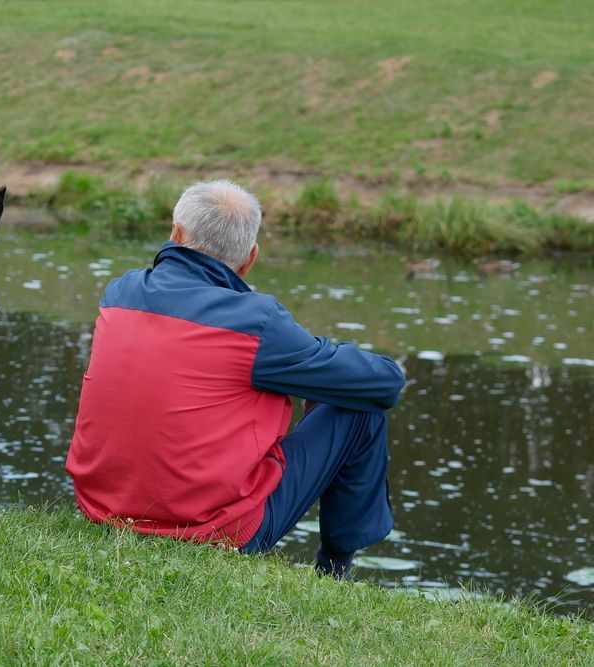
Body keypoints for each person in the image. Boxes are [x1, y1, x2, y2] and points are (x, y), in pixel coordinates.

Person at [65, 179, 405, 579]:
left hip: (102, 509)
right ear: (250, 258)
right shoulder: (257, 322)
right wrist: (320, 368)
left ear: (175, 233)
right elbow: (384, 383)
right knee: (360, 405)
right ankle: (336, 569)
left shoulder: (119, 293)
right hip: (213, 531)